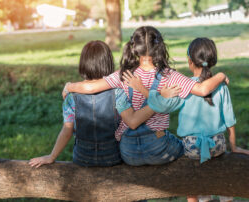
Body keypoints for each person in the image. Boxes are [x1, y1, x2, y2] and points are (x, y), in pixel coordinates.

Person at [62, 26, 229, 166]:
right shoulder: (169, 75)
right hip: (158, 147)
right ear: (160, 47)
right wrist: (220, 75)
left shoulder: (123, 74)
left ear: (135, 48)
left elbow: (91, 87)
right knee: (181, 145)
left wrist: (70, 86)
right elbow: (202, 90)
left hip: (128, 151)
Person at [124, 37, 249, 202]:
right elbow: (230, 120)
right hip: (218, 144)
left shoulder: (185, 86)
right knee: (218, 171)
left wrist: (142, 89)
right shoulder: (221, 86)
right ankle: (226, 198)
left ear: (190, 61)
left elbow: (161, 105)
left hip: (192, 147)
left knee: (191, 175)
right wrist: (234, 147)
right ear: (212, 61)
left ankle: (201, 198)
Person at [29, 40, 155, 168]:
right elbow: (131, 122)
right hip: (112, 156)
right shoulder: (118, 92)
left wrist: (51, 156)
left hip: (82, 157)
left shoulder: (71, 97)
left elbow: (67, 131)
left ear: (83, 64)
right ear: (108, 63)